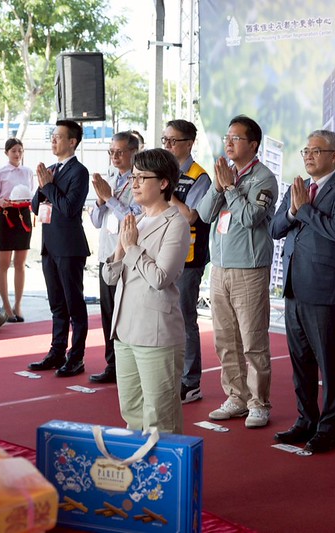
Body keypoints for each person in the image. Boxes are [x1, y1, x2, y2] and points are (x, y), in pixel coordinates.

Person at [270, 130, 335, 453]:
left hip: (324, 291)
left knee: (331, 366)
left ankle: (328, 429)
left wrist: (305, 210)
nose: (308, 156)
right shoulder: (297, 189)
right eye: (305, 150)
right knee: (301, 363)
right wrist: (295, 210)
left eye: (316, 151)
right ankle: (305, 420)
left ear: (334, 156)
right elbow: (275, 228)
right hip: (294, 288)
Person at [197, 115, 278, 429]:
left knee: (253, 341)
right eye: (226, 138)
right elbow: (204, 215)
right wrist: (219, 187)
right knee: (224, 339)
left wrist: (230, 188)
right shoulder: (224, 175)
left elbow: (249, 218)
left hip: (249, 269)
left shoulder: (264, 178)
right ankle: (236, 397)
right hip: (219, 268)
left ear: (253, 144)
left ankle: (259, 403)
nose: (228, 143)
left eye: (236, 138)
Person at [101, 149, 190, 433]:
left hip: (155, 331)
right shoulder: (135, 220)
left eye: (141, 177)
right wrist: (119, 249)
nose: (134, 183)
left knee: (160, 417)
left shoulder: (176, 223)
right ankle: (140, 474)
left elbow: (161, 277)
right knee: (132, 412)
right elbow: (110, 277)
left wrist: (132, 248)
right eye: (134, 177)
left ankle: (164, 477)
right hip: (125, 329)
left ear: (163, 183)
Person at [28, 120, 91, 378]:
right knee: (56, 304)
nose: (53, 141)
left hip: (69, 246)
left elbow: (68, 208)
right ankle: (56, 352)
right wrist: (43, 185)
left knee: (74, 304)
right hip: (49, 246)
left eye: (58, 137)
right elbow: (35, 207)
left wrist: (49, 187)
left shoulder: (79, 172)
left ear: (72, 142)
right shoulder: (52, 169)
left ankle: (76, 357)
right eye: (52, 136)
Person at [162, 119, 211, 404]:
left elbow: (191, 215)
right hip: (162, 253)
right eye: (164, 140)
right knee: (166, 318)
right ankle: (171, 375)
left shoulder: (198, 176)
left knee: (185, 318)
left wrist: (165, 193)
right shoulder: (161, 173)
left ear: (189, 143)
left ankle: (190, 382)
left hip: (188, 258)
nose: (167, 145)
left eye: (173, 141)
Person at [88, 132, 141, 384]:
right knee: (108, 312)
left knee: (125, 313)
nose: (115, 157)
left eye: (120, 152)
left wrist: (110, 198)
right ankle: (112, 364)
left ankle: (128, 365)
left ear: (134, 153)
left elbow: (135, 217)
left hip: (127, 255)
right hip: (106, 254)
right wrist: (101, 201)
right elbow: (97, 221)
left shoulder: (139, 180)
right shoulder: (109, 179)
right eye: (111, 152)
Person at [0, 138, 35, 322]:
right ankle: (6, 305)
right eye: (14, 151)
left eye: (20, 150)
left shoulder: (28, 172)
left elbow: (30, 192)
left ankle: (18, 304)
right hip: (6, 216)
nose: (17, 154)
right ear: (6, 153)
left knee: (20, 263)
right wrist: (0, 201)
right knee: (4, 263)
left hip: (23, 215)